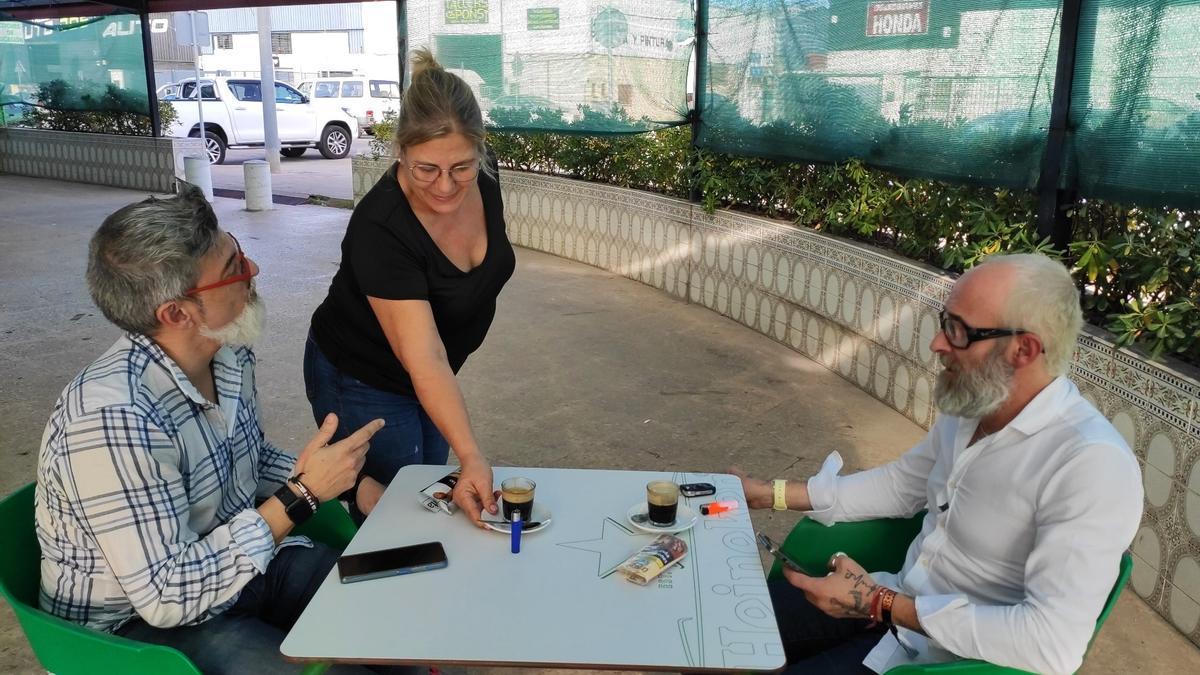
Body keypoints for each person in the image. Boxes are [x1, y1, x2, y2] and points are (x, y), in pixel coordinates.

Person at [35, 182, 398, 675]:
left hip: (232, 559)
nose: (253, 271)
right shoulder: (113, 419)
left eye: (240, 254)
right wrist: (303, 495)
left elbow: (246, 457)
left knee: (396, 610)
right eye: (233, 270)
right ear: (176, 313)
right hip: (139, 626)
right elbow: (166, 597)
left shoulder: (225, 350)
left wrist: (354, 487)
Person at [737, 253, 1143, 675]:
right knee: (719, 620)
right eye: (944, 321)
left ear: (1024, 349)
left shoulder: (1090, 467)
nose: (938, 344)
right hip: (888, 608)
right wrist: (771, 494)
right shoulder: (974, 404)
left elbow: (1051, 643)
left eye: (959, 331)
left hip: (944, 660)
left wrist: (883, 603)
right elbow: (901, 485)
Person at [304, 47, 515, 526]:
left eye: (460, 166)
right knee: (396, 513)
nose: (445, 185)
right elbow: (425, 359)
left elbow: (434, 364)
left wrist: (467, 455)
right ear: (400, 151)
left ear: (480, 149)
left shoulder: (483, 172)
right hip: (362, 376)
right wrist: (473, 455)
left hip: (431, 374)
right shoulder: (381, 227)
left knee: (425, 489)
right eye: (426, 169)